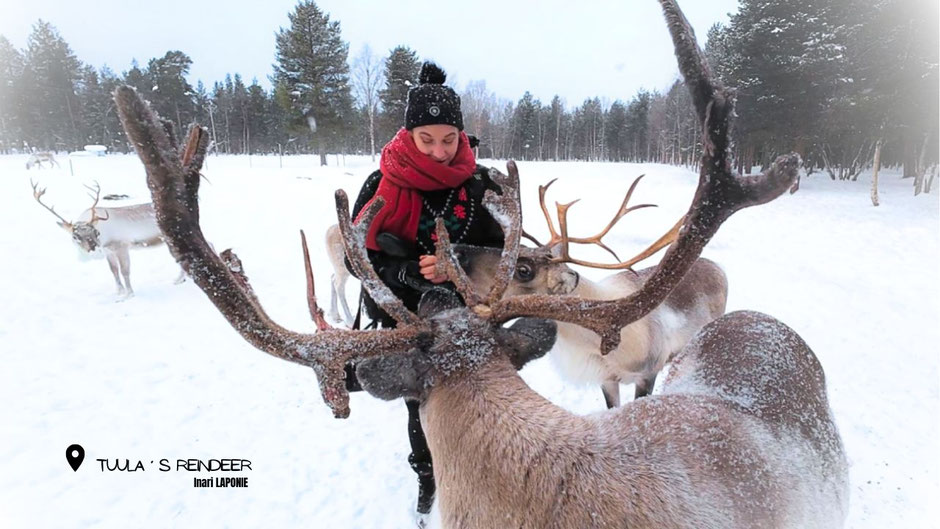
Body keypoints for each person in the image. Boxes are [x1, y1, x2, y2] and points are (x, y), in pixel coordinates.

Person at [345, 61, 505, 517]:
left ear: (462, 135)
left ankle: (482, 467)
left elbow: (505, 251)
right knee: (423, 404)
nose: (439, 152)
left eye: (449, 140)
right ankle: (429, 476)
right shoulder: (381, 183)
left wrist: (460, 263)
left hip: (470, 312)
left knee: (484, 393)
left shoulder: (481, 185)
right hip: (409, 318)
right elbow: (355, 259)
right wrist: (409, 272)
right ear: (408, 135)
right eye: (427, 139)